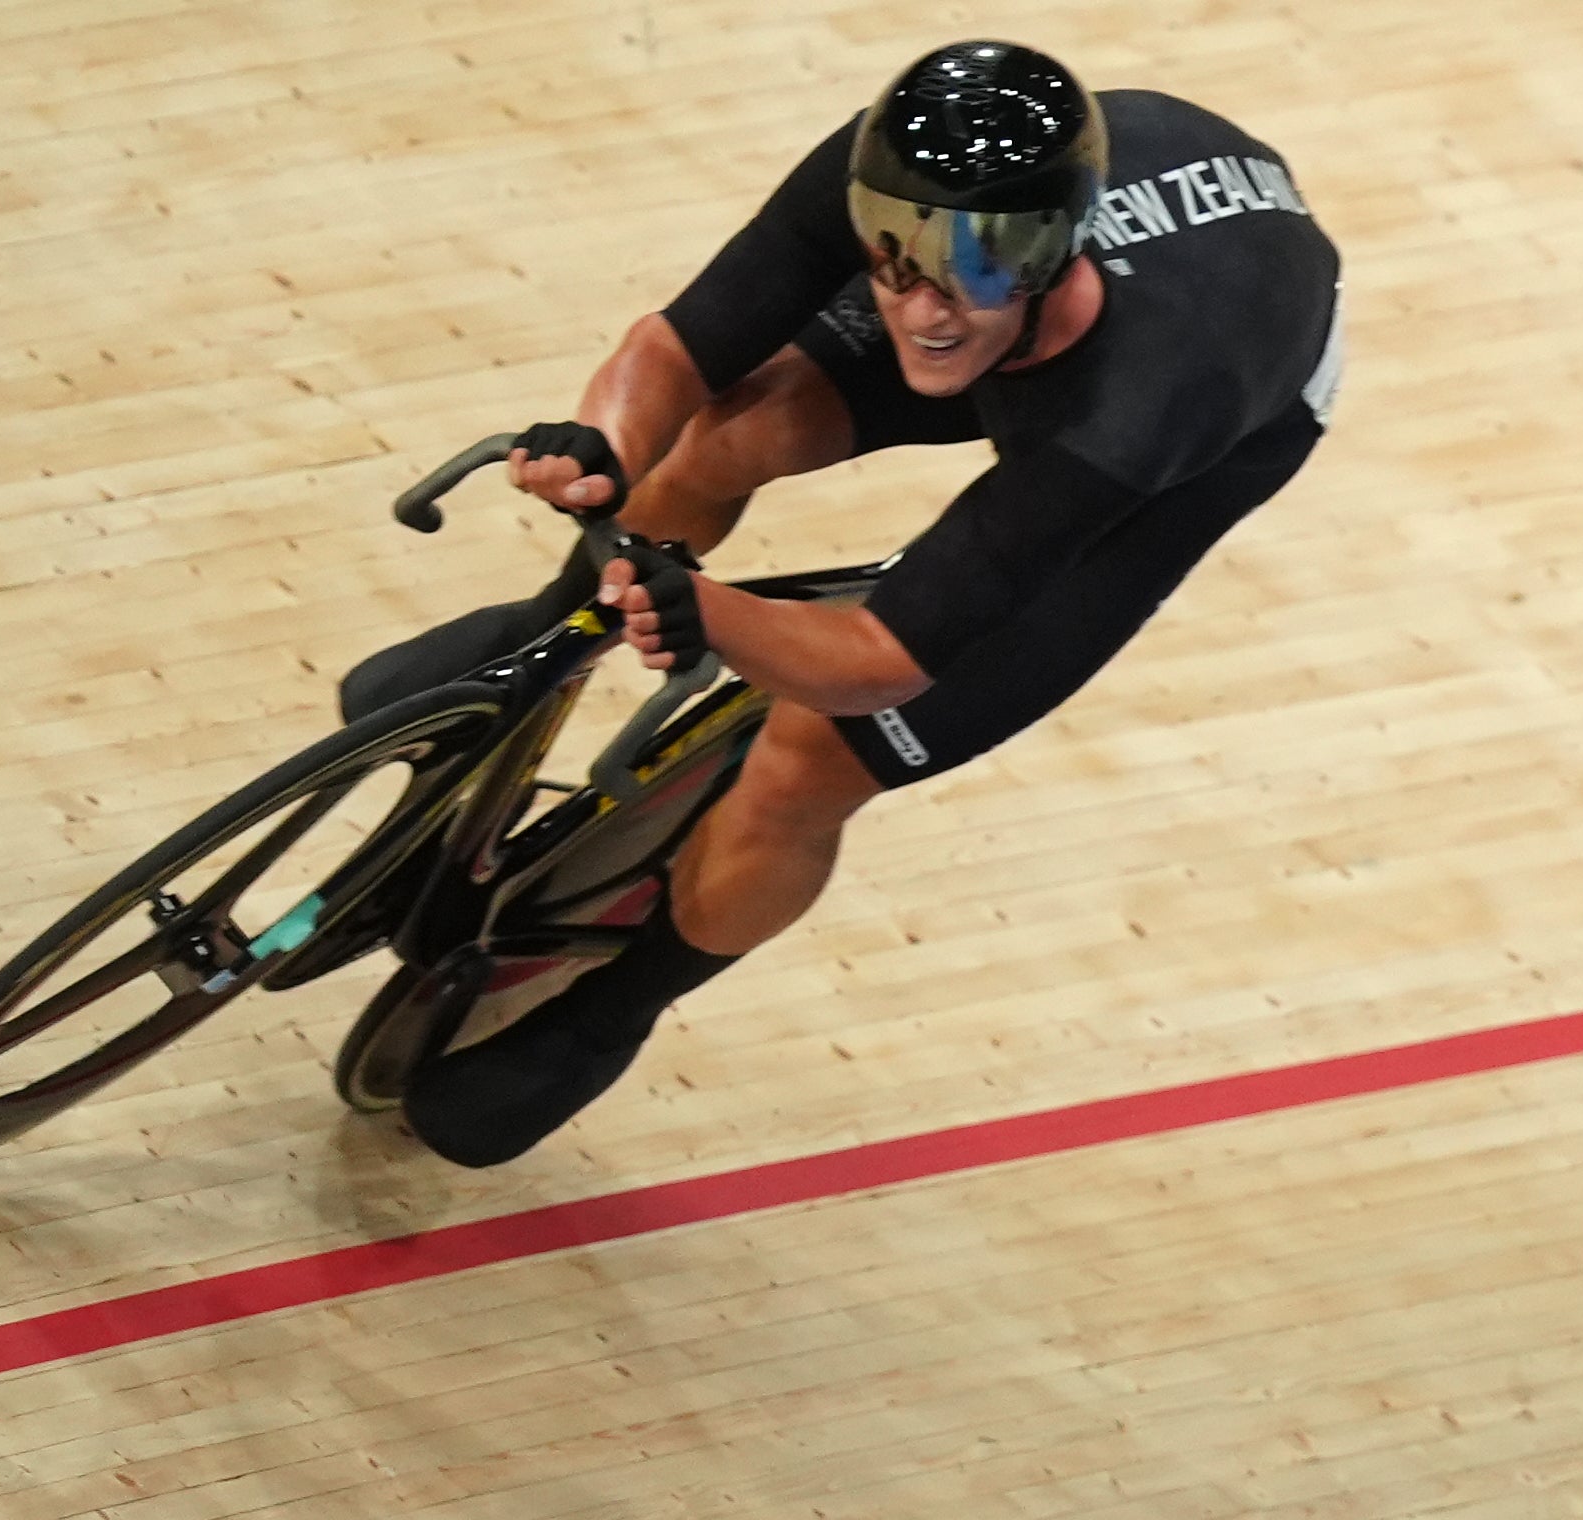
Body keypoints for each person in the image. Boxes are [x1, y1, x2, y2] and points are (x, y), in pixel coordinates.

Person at [348, 40, 1342, 1167]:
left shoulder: (1145, 405)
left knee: (807, 758)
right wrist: (602, 448)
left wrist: (705, 614)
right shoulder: (908, 191)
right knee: (731, 432)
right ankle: (544, 638)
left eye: (964, 271)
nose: (921, 307)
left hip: (1205, 425)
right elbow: (676, 345)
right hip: (1070, 296)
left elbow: (880, 657)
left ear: (1054, 252)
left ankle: (609, 1012)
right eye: (893, 260)